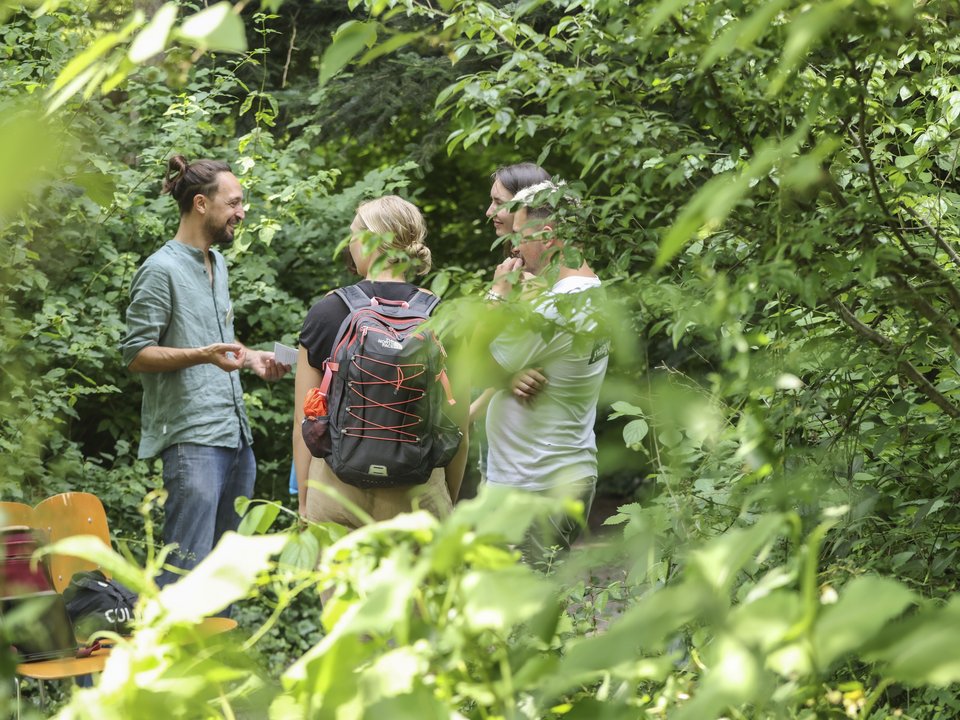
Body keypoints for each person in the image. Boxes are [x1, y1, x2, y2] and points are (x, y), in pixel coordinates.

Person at [121, 155, 290, 585]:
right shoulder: (160, 270)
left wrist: (253, 359)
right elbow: (136, 353)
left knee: (226, 576)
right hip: (192, 441)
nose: (242, 211)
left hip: (236, 437)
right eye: (234, 203)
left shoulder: (220, 264)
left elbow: (219, 343)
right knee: (186, 574)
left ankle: (221, 652)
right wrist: (201, 355)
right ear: (201, 203)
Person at [293, 195, 469, 527]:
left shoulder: (327, 312)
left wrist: (305, 500)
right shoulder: (444, 318)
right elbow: (459, 425)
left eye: (354, 235)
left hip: (335, 491)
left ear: (372, 241)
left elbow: (305, 415)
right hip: (418, 496)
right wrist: (446, 498)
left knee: (336, 581)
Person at [483, 180, 609, 564]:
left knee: (516, 615)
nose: (516, 248)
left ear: (547, 234)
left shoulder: (562, 304)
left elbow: (470, 356)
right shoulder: (587, 291)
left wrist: (497, 294)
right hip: (543, 476)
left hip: (534, 485)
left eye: (521, 237)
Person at [464, 163, 553, 498]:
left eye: (498, 202)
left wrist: (496, 294)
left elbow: (535, 365)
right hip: (502, 444)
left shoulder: (541, 279)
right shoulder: (512, 265)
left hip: (530, 455)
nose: (489, 212)